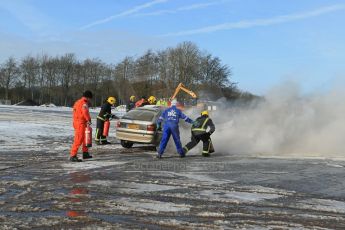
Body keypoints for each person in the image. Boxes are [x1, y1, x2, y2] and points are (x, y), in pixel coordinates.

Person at [70, 90, 93, 162]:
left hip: (78, 122)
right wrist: (88, 119)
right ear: (88, 97)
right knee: (79, 139)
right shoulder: (84, 103)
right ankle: (73, 155)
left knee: (85, 138)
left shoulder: (77, 102)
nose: (90, 100)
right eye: (90, 98)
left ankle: (85, 153)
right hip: (81, 123)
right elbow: (85, 112)